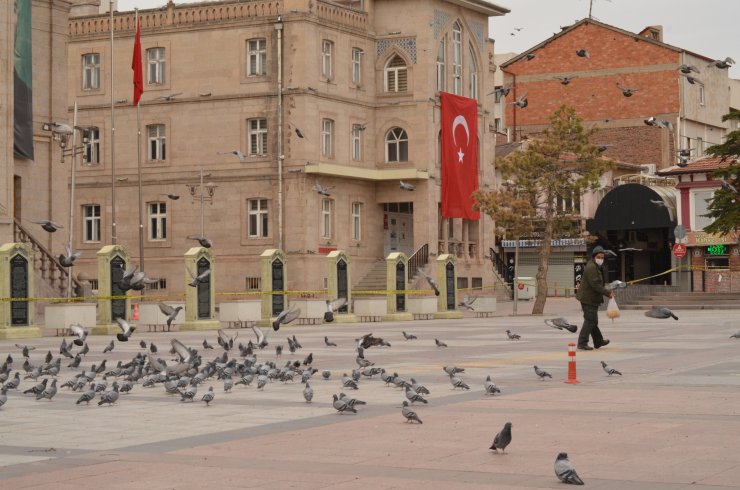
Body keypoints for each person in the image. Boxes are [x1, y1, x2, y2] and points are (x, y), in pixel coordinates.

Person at [575, 246, 613, 350]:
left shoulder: (596, 266)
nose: (601, 259)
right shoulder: (591, 267)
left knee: (592, 321)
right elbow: (595, 284)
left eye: (602, 257)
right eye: (599, 257)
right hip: (588, 298)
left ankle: (598, 341)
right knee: (590, 320)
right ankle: (582, 343)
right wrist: (608, 293)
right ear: (594, 256)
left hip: (591, 298)